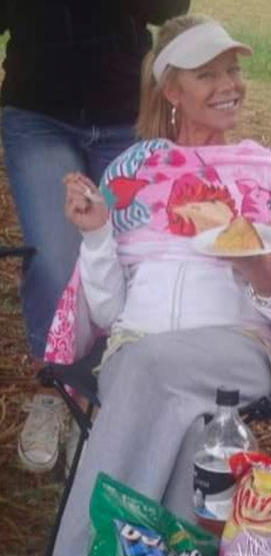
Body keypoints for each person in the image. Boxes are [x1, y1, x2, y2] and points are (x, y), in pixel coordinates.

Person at [44, 15, 271, 556]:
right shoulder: (133, 170)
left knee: (150, 370)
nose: (229, 85)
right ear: (172, 90)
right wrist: (97, 235)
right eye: (209, 74)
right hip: (138, 350)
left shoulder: (267, 174)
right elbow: (107, 311)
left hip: (236, 350)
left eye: (232, 70)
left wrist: (258, 270)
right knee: (199, 441)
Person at [1, 1, 190, 472]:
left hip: (127, 114)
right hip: (37, 113)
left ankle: (114, 399)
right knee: (56, 256)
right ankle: (57, 390)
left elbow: (172, 7)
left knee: (132, 252)